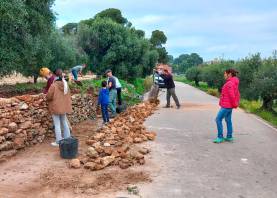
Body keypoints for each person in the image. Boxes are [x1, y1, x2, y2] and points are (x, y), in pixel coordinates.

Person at [47, 68, 72, 147]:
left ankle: (58, 141)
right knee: (64, 122)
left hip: (56, 107)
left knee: (57, 124)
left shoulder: (54, 85)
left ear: (54, 75)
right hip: (63, 107)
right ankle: (67, 138)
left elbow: (49, 97)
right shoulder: (65, 84)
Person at [214, 69, 240, 143]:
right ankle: (229, 136)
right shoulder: (233, 82)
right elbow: (237, 94)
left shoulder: (229, 84)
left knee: (218, 119)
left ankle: (220, 137)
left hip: (226, 106)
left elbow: (232, 96)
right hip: (229, 106)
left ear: (230, 74)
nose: (224, 75)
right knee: (228, 120)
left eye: (225, 73)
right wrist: (234, 104)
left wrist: (234, 104)